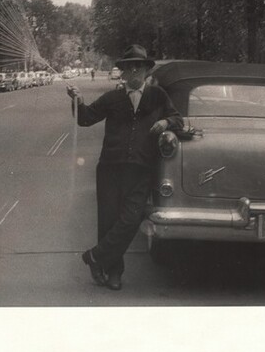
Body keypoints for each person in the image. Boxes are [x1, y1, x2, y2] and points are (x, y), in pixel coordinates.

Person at [66, 44, 183, 291]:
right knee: (109, 221)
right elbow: (85, 118)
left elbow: (178, 120)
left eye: (138, 67)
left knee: (131, 218)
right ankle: (113, 272)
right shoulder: (113, 98)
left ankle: (95, 257)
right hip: (110, 169)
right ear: (124, 72)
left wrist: (165, 121)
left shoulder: (157, 96)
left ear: (146, 70)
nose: (134, 72)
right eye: (129, 68)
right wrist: (77, 100)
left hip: (141, 169)